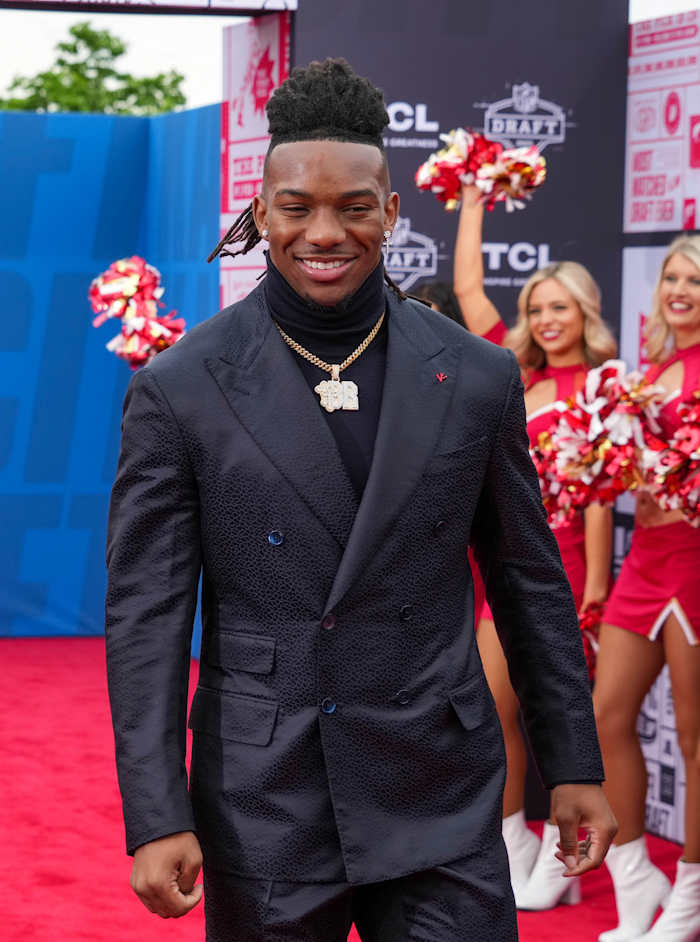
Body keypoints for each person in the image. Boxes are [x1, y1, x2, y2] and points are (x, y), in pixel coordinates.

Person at [105, 58, 616, 942]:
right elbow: (147, 617)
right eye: (298, 207)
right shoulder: (180, 388)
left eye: (353, 206)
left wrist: (573, 761)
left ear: (392, 210)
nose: (325, 231)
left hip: (440, 785)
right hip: (264, 796)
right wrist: (156, 811)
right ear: (261, 214)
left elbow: (529, 581)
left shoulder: (477, 376)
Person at [453, 185, 618, 909]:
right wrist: (471, 194)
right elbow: (465, 287)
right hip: (506, 566)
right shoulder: (513, 377)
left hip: (572, 570)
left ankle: (562, 858)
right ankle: (518, 842)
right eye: (536, 309)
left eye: (561, 307)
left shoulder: (608, 387)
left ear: (586, 312)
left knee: (565, 716)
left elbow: (603, 493)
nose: (547, 320)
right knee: (494, 710)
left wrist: (596, 584)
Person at [593, 235, 700, 942]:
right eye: (671, 277)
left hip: (695, 561)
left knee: (696, 737)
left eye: (695, 279)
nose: (679, 290)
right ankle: (636, 876)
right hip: (646, 561)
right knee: (604, 717)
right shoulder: (651, 370)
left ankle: (691, 892)